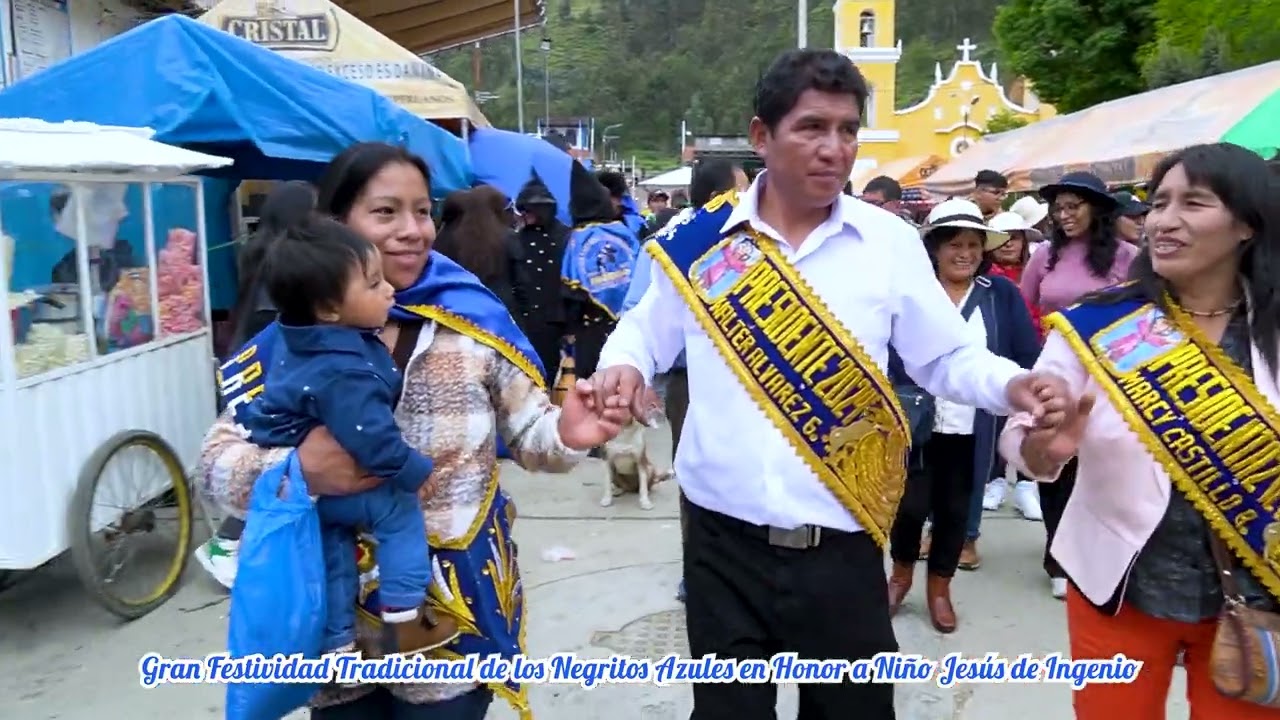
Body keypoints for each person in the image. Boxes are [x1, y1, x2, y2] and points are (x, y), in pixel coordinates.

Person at [585, 49, 1072, 720]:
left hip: (841, 544)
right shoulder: (703, 242)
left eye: (847, 130)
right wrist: (625, 366)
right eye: (812, 128)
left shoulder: (889, 242)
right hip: (720, 546)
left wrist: (1015, 386)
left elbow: (948, 357)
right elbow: (645, 330)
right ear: (762, 137)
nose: (833, 149)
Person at [198, 141, 630, 720]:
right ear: (337, 225)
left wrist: (571, 433)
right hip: (333, 626)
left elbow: (532, 437)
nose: (412, 231)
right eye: (385, 212)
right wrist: (295, 473)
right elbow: (216, 465)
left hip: (452, 618)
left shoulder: (472, 323)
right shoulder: (290, 343)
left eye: (423, 211)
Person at [1000, 142, 1280, 719]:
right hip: (1119, 585)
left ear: (1248, 224)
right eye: (1158, 203)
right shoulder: (1100, 323)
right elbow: (1026, 436)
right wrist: (1043, 448)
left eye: (1193, 203)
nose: (1164, 220)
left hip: (1260, 594)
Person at [237, 210, 458, 656]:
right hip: (327, 481)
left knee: (333, 552)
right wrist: (413, 470)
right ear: (330, 308)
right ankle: (404, 621)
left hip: (306, 493)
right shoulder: (345, 366)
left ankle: (336, 645)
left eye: (423, 210)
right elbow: (371, 438)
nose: (389, 289)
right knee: (398, 511)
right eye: (374, 284)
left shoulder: (299, 339)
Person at [886, 200, 1039, 632]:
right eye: (955, 244)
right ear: (934, 248)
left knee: (956, 510)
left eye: (974, 245)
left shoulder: (1000, 294)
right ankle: (899, 578)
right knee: (908, 506)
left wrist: (1023, 394)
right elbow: (891, 350)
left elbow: (1023, 352)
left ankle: (940, 589)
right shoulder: (915, 294)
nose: (965, 253)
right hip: (916, 422)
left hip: (973, 426)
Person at [622, 158, 749, 604]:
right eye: (741, 189)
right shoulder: (673, 246)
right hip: (690, 382)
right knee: (695, 475)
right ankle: (697, 568)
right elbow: (637, 312)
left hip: (750, 379)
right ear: (719, 198)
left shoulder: (750, 242)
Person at [1021, 170, 1139, 599]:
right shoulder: (1044, 257)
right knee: (1056, 466)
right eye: (1059, 207)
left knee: (1104, 464)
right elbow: (1025, 307)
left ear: (1098, 209)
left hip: (1113, 378)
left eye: (1074, 206)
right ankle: (1057, 558)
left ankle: (1104, 553)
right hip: (1056, 374)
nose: (1064, 215)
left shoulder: (1127, 256)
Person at [195, 180, 317, 587]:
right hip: (266, 365)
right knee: (270, 454)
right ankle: (226, 543)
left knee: (268, 453)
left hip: (245, 356)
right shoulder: (283, 259)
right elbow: (273, 319)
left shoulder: (257, 248)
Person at [978, 210, 1045, 520]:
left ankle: (1026, 486)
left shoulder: (1037, 270)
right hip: (996, 350)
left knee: (1032, 418)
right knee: (994, 418)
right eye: (1003, 238)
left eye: (1015, 238)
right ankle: (994, 480)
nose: (1009, 244)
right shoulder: (985, 277)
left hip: (1036, 350)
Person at [563, 167, 641, 381]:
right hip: (622, 322)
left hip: (591, 324)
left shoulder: (575, 238)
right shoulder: (624, 234)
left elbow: (571, 291)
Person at [433, 185, 531, 322]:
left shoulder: (451, 237)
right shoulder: (508, 237)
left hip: (463, 308)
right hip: (502, 308)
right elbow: (522, 282)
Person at [513, 176, 571, 386]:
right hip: (527, 316)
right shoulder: (518, 238)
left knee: (551, 371)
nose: (525, 216)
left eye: (528, 211)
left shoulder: (565, 236)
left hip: (554, 317)